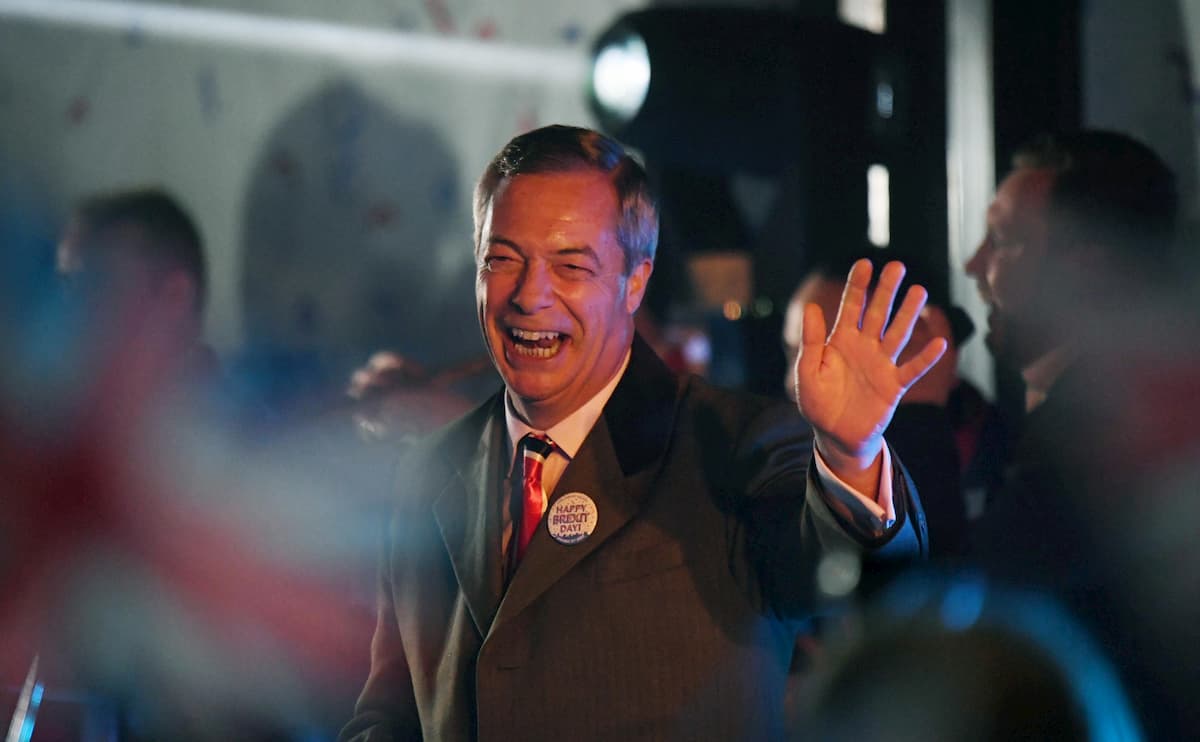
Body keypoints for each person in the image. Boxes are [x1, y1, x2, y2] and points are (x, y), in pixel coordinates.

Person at [340, 125, 947, 741]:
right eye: (502, 259)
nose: (529, 295)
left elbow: (840, 570)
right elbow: (392, 711)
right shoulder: (427, 470)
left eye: (570, 264)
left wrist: (851, 452)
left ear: (635, 281)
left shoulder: (735, 444)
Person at [965, 129, 1193, 737]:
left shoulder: (1111, 449)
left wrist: (917, 421)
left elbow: (972, 613)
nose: (974, 267)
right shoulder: (1029, 431)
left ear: (1090, 270)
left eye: (1005, 241)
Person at [783, 256, 973, 558]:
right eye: (793, 353)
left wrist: (920, 415)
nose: (798, 381)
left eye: (826, 358)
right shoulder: (793, 469)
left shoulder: (995, 438)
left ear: (914, 337)